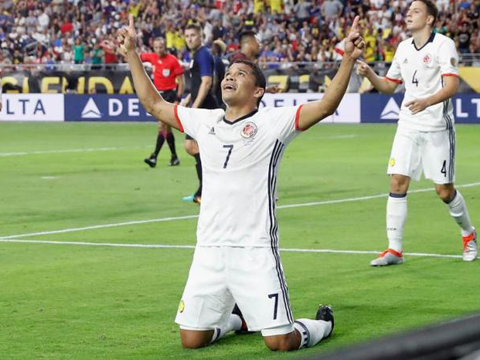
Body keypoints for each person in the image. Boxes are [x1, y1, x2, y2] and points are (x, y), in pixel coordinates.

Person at [118, 14, 365, 351]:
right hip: (210, 248)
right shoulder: (206, 121)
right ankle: (240, 320)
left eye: (241, 74)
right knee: (192, 339)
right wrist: (132, 52)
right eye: (229, 74)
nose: (230, 77)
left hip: (255, 249)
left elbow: (325, 105)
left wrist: (348, 58)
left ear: (259, 91)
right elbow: (153, 104)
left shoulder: (273, 122)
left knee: (280, 341)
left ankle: (321, 324)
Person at [357, 0, 477, 266]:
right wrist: (369, 73)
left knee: (444, 191)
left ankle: (468, 234)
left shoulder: (443, 45)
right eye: (408, 11)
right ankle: (394, 250)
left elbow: (452, 86)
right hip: (408, 125)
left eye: (415, 11)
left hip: (437, 127)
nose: (408, 14)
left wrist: (426, 102)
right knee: (397, 182)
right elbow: (389, 87)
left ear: (430, 19)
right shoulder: (402, 48)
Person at [181, 23, 218, 204]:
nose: (189, 39)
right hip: (200, 105)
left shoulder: (203, 54)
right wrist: (188, 99)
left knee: (193, 146)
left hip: (205, 108)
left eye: (193, 35)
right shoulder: (195, 55)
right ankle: (203, 191)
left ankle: (205, 192)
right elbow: (197, 84)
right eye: (187, 36)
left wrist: (194, 107)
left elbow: (206, 82)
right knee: (195, 147)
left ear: (200, 36)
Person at [141, 37, 184, 168]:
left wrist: (178, 98)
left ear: (165, 47)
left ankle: (154, 157)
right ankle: (174, 157)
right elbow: (135, 56)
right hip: (158, 95)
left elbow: (181, 81)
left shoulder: (173, 60)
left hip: (169, 96)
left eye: (161, 47)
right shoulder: (152, 57)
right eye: (156, 48)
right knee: (167, 129)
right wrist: (118, 49)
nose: (159, 50)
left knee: (161, 127)